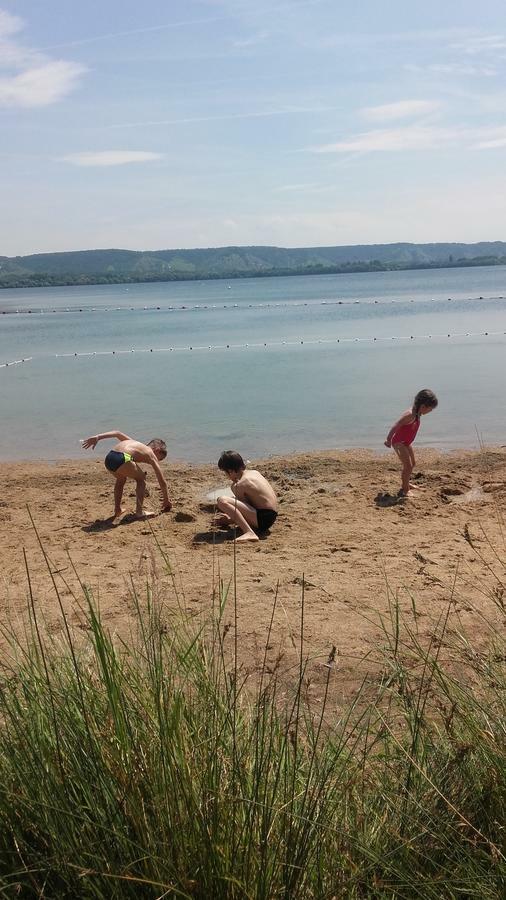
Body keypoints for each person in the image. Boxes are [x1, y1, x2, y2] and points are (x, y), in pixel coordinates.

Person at [81, 430, 172, 520]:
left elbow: (117, 433)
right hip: (122, 458)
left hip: (109, 458)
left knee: (121, 479)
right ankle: (139, 513)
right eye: (159, 459)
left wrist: (98, 437)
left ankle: (117, 510)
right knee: (141, 479)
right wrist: (166, 499)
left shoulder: (134, 443)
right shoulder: (150, 453)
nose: (157, 461)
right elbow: (161, 480)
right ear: (157, 450)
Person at [214, 450, 278, 542]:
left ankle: (249, 532)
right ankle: (249, 531)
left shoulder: (239, 485)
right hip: (271, 517)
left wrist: (231, 519)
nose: (227, 476)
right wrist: (230, 519)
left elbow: (246, 508)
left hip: (262, 519)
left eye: (225, 473)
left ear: (230, 471)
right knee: (232, 500)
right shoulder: (254, 472)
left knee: (222, 500)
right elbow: (250, 505)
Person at [384, 389, 438, 497]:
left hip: (406, 443)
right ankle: (405, 490)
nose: (430, 411)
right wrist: (389, 439)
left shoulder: (417, 414)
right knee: (407, 466)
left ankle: (407, 483)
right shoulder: (410, 415)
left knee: (412, 463)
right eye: (430, 409)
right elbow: (396, 425)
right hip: (398, 443)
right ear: (423, 406)